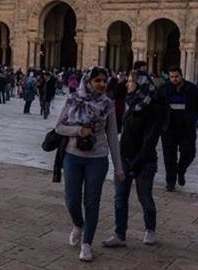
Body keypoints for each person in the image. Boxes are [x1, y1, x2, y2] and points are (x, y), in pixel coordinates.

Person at [55, 68, 123, 262]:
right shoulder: (73, 100)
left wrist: (118, 168)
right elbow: (59, 127)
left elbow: (112, 136)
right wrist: (79, 130)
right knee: (72, 199)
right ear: (88, 82)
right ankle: (78, 223)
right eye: (98, 81)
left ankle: (87, 244)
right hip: (72, 156)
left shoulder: (108, 104)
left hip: (98, 158)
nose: (102, 84)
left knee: (92, 202)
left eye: (104, 81)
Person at [102, 71, 166, 249]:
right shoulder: (130, 103)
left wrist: (136, 163)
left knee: (144, 196)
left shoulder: (152, 108)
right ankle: (119, 234)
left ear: (141, 84)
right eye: (128, 81)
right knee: (120, 197)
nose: (127, 84)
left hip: (144, 161)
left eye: (131, 81)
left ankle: (150, 229)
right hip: (125, 158)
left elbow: (150, 139)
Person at [156, 66, 198, 191]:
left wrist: (193, 118)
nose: (174, 79)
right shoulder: (164, 89)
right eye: (171, 77)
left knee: (189, 153)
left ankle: (180, 170)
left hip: (186, 128)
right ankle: (170, 182)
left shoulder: (191, 89)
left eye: (176, 76)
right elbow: (157, 105)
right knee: (169, 156)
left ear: (181, 75)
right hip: (168, 128)